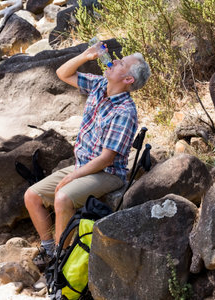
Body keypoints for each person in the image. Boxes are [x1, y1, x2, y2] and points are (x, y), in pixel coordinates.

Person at [24, 41, 151, 269]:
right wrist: (85, 55)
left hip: (108, 173)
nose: (113, 61)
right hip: (83, 164)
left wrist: (72, 178)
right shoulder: (100, 85)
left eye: (120, 63)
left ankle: (61, 261)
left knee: (62, 197)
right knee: (32, 196)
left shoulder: (125, 111)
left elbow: (106, 159)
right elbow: (63, 73)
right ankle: (49, 248)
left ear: (128, 79)